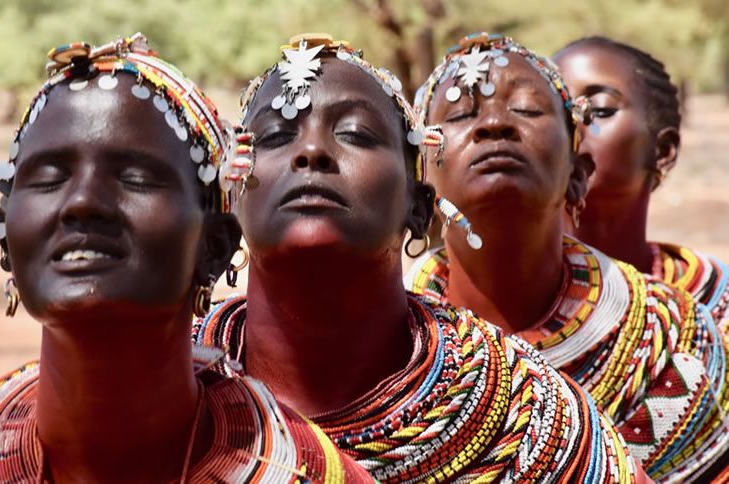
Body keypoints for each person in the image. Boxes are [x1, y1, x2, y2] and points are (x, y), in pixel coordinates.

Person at [195, 33, 644, 482]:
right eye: (276, 135)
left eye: (355, 133)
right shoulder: (168, 399)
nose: (311, 152)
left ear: (418, 208)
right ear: (229, 200)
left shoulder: (535, 422)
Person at [0, 34, 371, 483]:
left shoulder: (314, 473)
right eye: (49, 179)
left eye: (135, 178)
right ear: (7, 236)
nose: (83, 202)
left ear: (214, 247)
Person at [404, 32, 729, 481]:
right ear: (417, 192)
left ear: (577, 176)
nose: (494, 124)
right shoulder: (383, 358)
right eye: (461, 114)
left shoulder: (676, 345)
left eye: (527, 110)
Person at [552, 36, 728, 330]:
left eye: (599, 109)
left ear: (663, 151)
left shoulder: (714, 310)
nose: (570, 127)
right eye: (552, 110)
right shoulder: (488, 307)